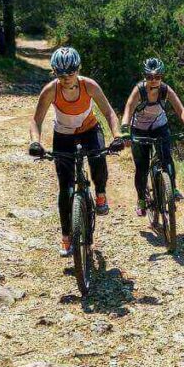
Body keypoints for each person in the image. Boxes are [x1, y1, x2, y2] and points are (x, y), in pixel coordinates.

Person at [28, 47, 124, 257]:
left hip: (90, 130)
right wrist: (36, 142)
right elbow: (36, 120)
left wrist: (117, 136)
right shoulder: (51, 90)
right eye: (60, 74)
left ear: (77, 69)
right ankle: (66, 238)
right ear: (54, 72)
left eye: (70, 73)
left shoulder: (89, 85)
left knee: (98, 158)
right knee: (65, 188)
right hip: (63, 135)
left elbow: (108, 112)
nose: (66, 78)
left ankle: (100, 195)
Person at [121, 57, 184, 217]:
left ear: (162, 77)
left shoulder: (165, 90)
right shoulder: (139, 90)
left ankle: (172, 188)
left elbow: (181, 109)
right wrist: (125, 130)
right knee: (141, 167)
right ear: (144, 77)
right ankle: (141, 199)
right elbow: (128, 109)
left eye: (157, 77)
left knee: (167, 158)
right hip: (139, 129)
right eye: (149, 77)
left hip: (159, 126)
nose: (153, 81)